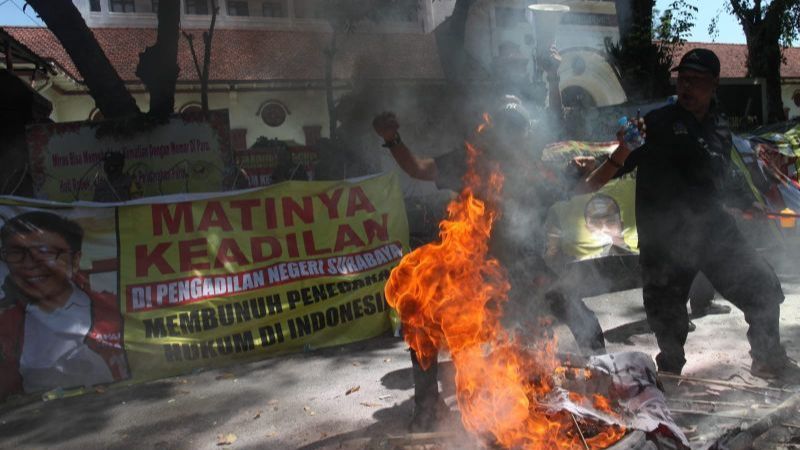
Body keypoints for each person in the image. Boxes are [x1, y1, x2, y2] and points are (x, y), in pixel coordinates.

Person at [374, 94, 607, 430]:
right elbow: (418, 168)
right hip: (473, 272)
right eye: (503, 128)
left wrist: (622, 154)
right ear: (491, 131)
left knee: (580, 316)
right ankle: (426, 407)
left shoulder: (538, 173)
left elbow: (590, 183)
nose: (509, 137)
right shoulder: (469, 162)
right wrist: (392, 140)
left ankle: (605, 381)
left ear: (525, 134)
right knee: (421, 316)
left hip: (528, 270)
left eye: (517, 128)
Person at [583, 48, 800, 380]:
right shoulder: (655, 124)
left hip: (714, 231)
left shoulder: (720, 126)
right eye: (683, 79)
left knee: (763, 289)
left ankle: (768, 358)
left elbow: (723, 174)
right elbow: (614, 167)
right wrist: (613, 155)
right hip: (665, 239)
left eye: (697, 81)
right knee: (667, 318)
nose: (687, 87)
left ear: (714, 85)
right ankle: (669, 369)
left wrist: (746, 202)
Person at [0, 211, 127, 400]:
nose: (29, 264)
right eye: (17, 253)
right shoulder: (7, 324)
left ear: (75, 261)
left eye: (45, 252)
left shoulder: (115, 309)